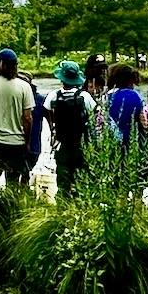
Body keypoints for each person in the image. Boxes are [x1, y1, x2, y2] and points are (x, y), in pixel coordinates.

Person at [0, 48, 34, 185]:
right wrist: (27, 140)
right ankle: (11, 205)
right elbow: (27, 118)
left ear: (0, 64)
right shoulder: (25, 87)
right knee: (13, 183)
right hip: (16, 142)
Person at [44, 60, 95, 199]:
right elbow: (95, 115)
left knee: (63, 179)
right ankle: (80, 206)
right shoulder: (84, 96)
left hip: (62, 143)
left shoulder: (53, 95)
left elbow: (47, 112)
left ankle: (62, 206)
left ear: (62, 78)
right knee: (81, 179)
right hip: (81, 144)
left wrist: (53, 128)